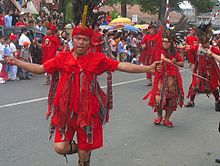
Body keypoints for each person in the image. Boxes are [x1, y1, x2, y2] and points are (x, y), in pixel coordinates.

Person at [4, 25, 161, 166]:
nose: (80, 42)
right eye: (77, 38)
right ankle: (84, 149)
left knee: (84, 159)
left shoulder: (97, 59)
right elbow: (40, 69)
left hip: (88, 115)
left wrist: (147, 68)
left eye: (85, 39)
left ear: (90, 42)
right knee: (60, 147)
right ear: (72, 39)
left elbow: (121, 65)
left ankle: (85, 153)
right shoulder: (62, 58)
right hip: (65, 114)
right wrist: (16, 62)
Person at [143, 33, 184, 128]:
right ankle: (159, 116)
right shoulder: (158, 51)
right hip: (161, 79)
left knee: (171, 101)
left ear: (171, 43)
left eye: (167, 42)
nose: (165, 43)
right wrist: (163, 63)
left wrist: (175, 62)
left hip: (172, 79)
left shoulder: (175, 53)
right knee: (157, 99)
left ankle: (167, 118)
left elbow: (181, 63)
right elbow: (156, 62)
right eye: (163, 41)